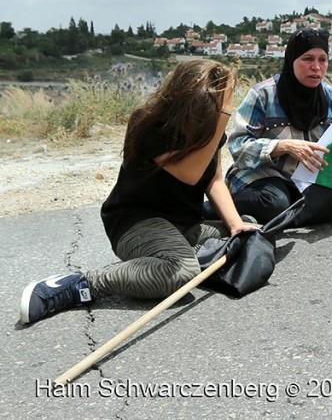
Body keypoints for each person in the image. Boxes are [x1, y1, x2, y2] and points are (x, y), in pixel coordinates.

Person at [20, 60, 259, 324]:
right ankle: (81, 284)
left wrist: (237, 225)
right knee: (181, 271)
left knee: (248, 229)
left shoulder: (210, 130)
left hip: (184, 225)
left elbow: (213, 179)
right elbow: (190, 174)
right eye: (226, 96)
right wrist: (222, 118)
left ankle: (167, 261)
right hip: (136, 223)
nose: (230, 102)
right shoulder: (150, 125)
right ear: (200, 97)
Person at [219, 28, 332, 224]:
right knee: (274, 201)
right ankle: (224, 209)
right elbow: (237, 146)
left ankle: (283, 218)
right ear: (292, 59)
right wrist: (282, 146)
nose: (316, 67)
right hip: (262, 177)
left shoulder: (330, 96)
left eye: (322, 59)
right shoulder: (263, 94)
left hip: (304, 181)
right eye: (308, 59)